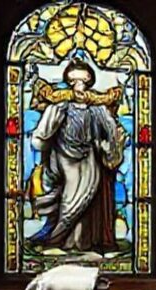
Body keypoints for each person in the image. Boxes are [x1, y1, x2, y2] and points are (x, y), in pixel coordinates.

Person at [28, 58, 126, 252]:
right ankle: (56, 240)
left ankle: (80, 242)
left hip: (89, 161)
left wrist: (109, 146)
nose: (79, 86)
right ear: (69, 82)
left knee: (86, 201)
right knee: (68, 203)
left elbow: (111, 131)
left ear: (89, 81)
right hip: (65, 160)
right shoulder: (61, 106)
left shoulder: (97, 109)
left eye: (83, 80)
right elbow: (43, 134)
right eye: (74, 81)